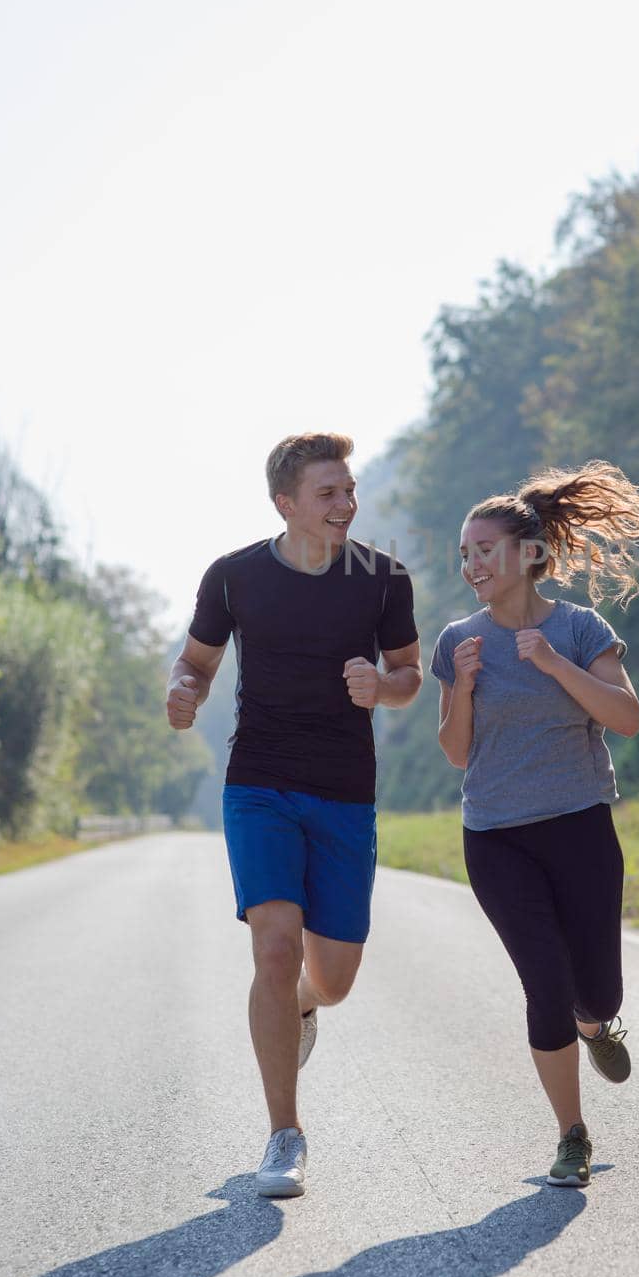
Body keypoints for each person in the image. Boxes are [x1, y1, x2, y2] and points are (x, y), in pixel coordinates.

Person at [166, 432, 421, 1197]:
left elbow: (411, 672)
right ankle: (285, 1134)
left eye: (348, 489)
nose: (346, 504)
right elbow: (196, 662)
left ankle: (305, 1007)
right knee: (274, 949)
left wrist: (384, 686)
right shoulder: (236, 577)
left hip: (343, 790)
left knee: (331, 979)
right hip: (260, 784)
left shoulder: (382, 579)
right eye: (328, 493)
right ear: (286, 504)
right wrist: (184, 691)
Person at [430, 460, 639, 1188]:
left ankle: (596, 1024)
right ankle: (572, 1134)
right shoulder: (457, 641)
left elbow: (627, 719)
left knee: (599, 993)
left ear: (528, 555)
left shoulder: (581, 629)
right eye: (464, 554)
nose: (472, 565)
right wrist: (462, 687)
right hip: (496, 836)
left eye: (483, 550)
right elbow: (457, 751)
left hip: (580, 826)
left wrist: (557, 665)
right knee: (544, 983)